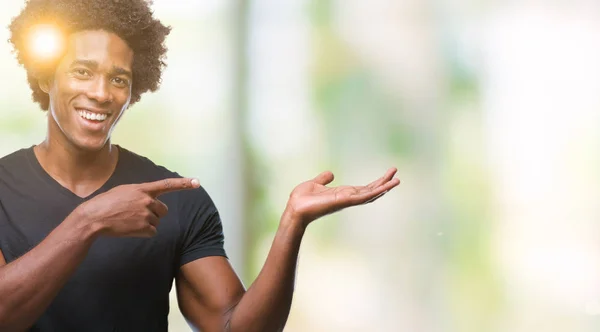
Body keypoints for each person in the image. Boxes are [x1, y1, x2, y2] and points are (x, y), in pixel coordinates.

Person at [0, 0, 400, 331]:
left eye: (119, 79)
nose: (101, 93)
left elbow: (232, 327)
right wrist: (88, 220)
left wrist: (292, 224)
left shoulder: (175, 200)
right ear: (46, 78)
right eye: (82, 72)